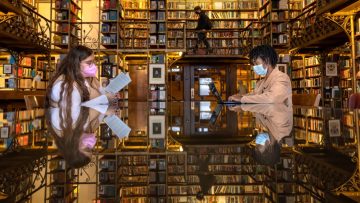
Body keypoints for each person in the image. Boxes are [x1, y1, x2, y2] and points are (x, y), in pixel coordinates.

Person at [45, 45, 117, 108]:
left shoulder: (89, 79)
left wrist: (110, 95)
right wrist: (104, 99)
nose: (93, 66)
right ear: (75, 63)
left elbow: (99, 93)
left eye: (93, 62)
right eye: (89, 62)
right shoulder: (63, 83)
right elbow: (72, 107)